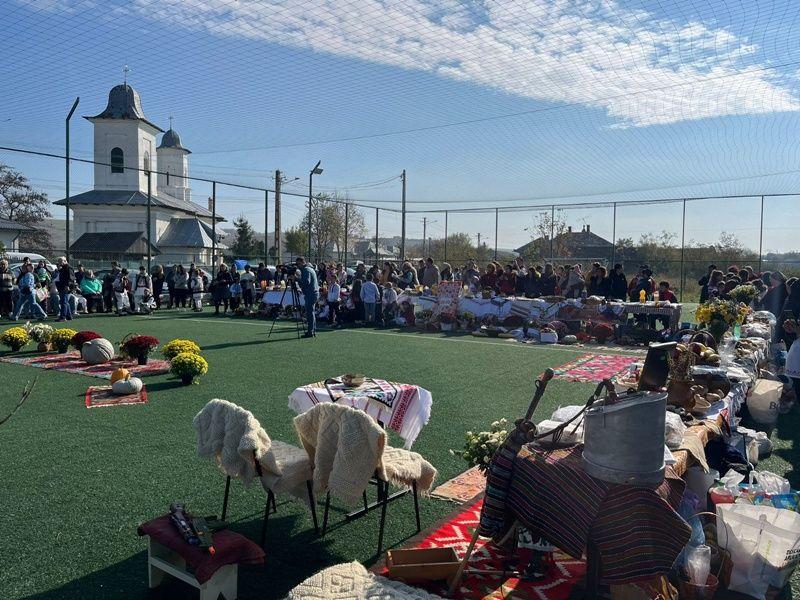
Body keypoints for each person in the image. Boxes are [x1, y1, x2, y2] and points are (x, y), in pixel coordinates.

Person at [295, 257, 319, 337]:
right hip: (313, 293)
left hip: (310, 294)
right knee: (311, 312)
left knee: (310, 313)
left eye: (298, 264)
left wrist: (297, 279)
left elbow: (306, 282)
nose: (297, 266)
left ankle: (310, 331)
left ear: (303, 262)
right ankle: (312, 330)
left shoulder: (306, 270)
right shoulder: (309, 269)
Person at [53, 257, 75, 322]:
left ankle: (63, 317)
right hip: (61, 286)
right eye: (59, 261)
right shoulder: (63, 268)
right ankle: (69, 316)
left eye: (61, 261)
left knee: (63, 302)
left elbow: (70, 278)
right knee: (65, 302)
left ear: (65, 261)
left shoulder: (69, 268)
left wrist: (67, 286)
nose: (60, 262)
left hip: (65, 287)